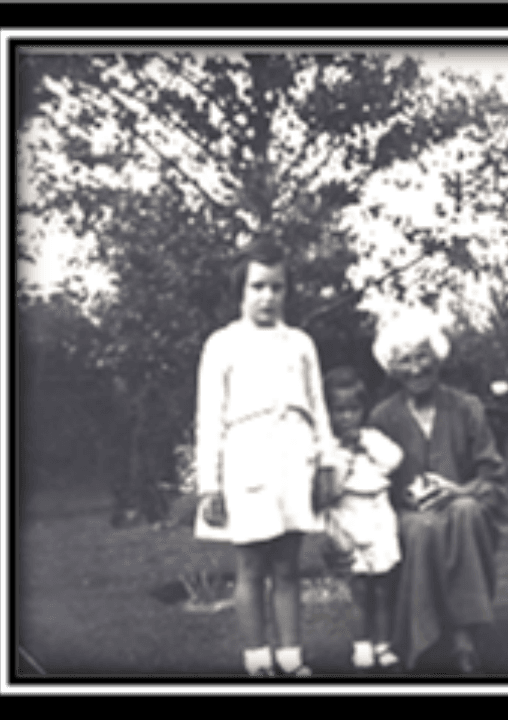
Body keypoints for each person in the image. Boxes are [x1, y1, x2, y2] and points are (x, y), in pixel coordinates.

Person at [194, 238, 336, 677]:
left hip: (294, 458)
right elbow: (209, 417)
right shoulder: (222, 344)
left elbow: (318, 406)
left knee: (288, 565)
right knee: (252, 566)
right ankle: (257, 659)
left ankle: (291, 657)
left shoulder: (301, 343)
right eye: (258, 287)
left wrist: (326, 460)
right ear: (241, 292)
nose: (268, 297)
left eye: (277, 287)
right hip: (247, 458)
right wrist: (209, 484)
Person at [368, 308, 505, 674]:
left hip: (465, 505)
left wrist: (459, 491)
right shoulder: (382, 417)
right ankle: (423, 637)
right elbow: (373, 484)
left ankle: (463, 637)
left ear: (437, 357)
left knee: (465, 512)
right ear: (393, 368)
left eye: (422, 356)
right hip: (407, 516)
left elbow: (493, 478)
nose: (416, 368)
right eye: (405, 360)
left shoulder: (467, 408)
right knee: (424, 527)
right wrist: (406, 501)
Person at [320, 366, 404, 672]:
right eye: (339, 411)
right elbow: (332, 489)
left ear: (362, 410)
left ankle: (384, 644)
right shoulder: (329, 449)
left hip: (380, 518)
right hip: (350, 520)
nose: (346, 417)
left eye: (353, 409)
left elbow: (394, 460)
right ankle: (362, 645)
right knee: (360, 590)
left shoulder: (373, 438)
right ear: (327, 413)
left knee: (383, 588)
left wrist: (366, 444)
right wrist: (345, 454)